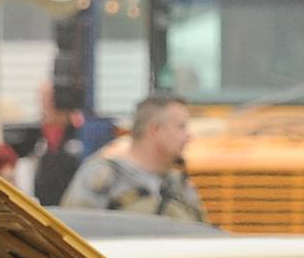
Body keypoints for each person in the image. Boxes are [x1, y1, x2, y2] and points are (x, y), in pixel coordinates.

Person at [62, 91, 205, 222]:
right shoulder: (102, 177)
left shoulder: (179, 184)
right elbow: (74, 236)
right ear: (155, 130)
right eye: (181, 127)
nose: (189, 136)